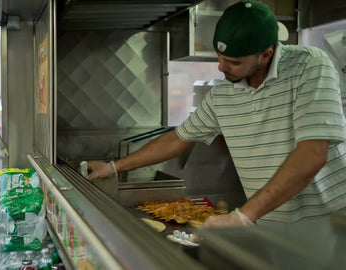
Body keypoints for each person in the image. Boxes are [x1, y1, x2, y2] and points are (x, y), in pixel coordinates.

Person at [87, 1, 346, 227]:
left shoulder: (308, 64)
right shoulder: (223, 95)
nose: (222, 67)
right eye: (220, 57)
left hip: (330, 222)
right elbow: (177, 139)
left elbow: (313, 151)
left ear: (266, 54)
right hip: (273, 225)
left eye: (234, 62)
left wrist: (242, 216)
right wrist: (113, 168)